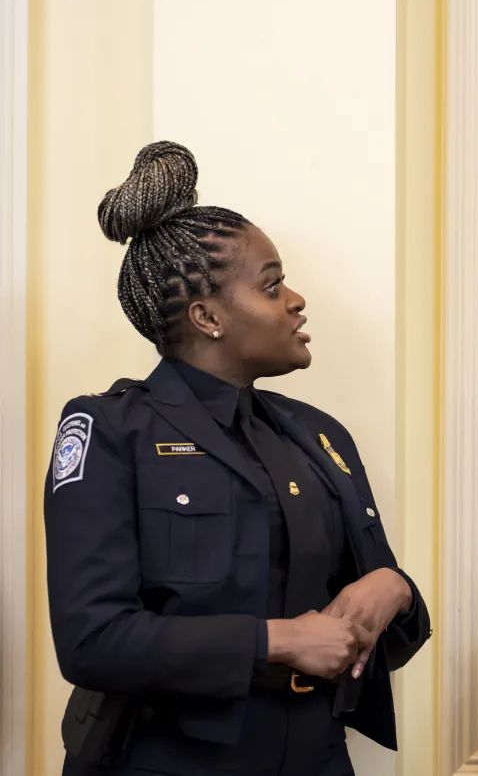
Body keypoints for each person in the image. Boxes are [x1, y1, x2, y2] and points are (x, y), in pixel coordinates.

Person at [44, 142, 431, 776]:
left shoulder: (317, 435)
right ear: (207, 316)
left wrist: (396, 590)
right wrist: (280, 640)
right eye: (273, 284)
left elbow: (370, 612)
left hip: (316, 754)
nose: (297, 299)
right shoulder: (110, 429)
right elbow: (93, 641)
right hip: (170, 759)